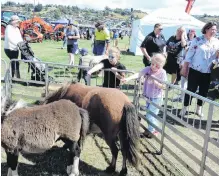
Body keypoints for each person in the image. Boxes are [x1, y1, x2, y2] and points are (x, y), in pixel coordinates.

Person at [122, 53, 167, 137]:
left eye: (157, 66)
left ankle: (152, 131)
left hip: (157, 97)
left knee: (150, 115)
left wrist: (156, 83)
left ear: (161, 66)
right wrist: (128, 79)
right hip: (148, 96)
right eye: (153, 64)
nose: (153, 67)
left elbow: (164, 86)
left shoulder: (163, 73)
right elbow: (139, 74)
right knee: (149, 114)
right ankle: (151, 129)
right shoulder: (148, 69)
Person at [180, 22, 219, 117]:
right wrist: (185, 68)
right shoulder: (197, 40)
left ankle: (199, 109)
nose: (214, 31)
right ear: (206, 29)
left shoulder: (217, 41)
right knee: (190, 90)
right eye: (212, 29)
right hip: (195, 70)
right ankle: (185, 107)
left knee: (204, 91)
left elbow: (217, 57)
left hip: (208, 71)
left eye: (215, 29)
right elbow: (189, 55)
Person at [173, 29, 196, 102]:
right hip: (184, 63)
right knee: (183, 81)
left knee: (188, 83)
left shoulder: (196, 42)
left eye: (192, 33)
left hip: (191, 65)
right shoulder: (188, 41)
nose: (191, 34)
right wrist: (181, 62)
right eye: (190, 33)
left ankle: (185, 98)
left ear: (194, 34)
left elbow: (186, 49)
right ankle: (182, 97)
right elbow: (184, 52)